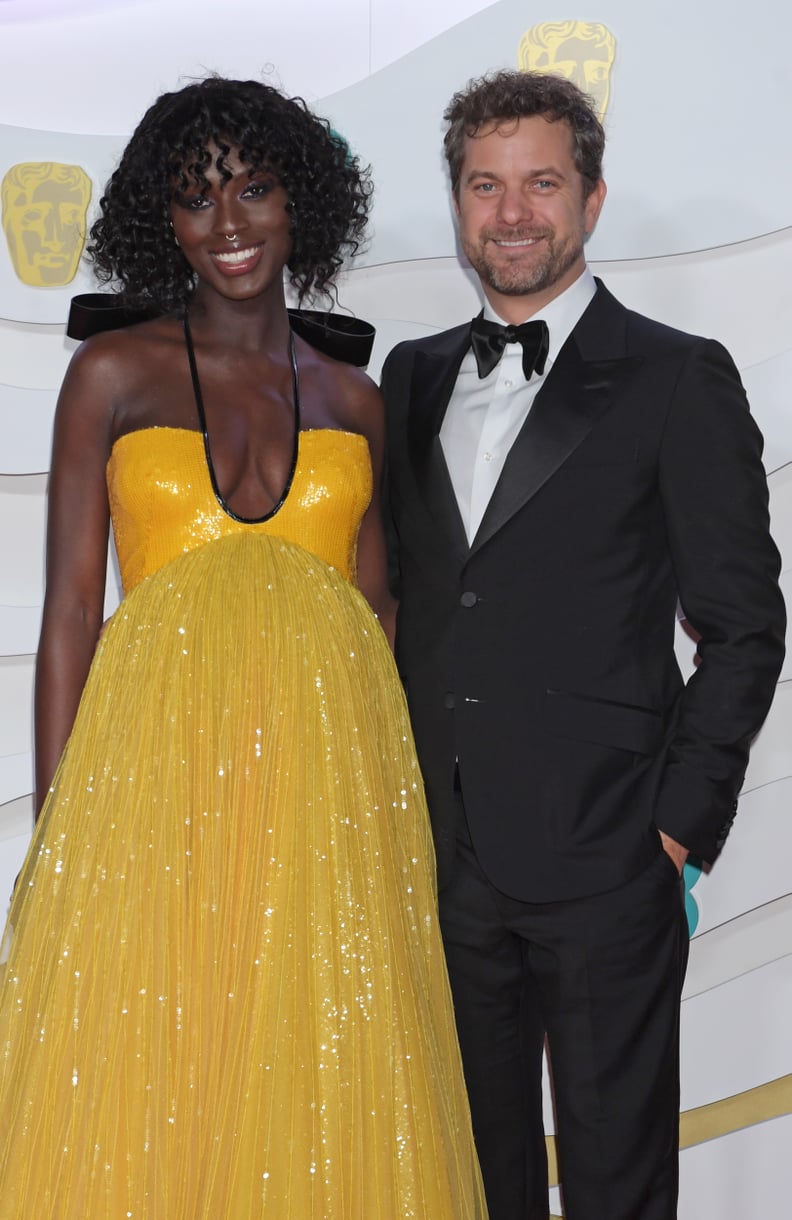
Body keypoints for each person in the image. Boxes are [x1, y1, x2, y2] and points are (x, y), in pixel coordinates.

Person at [0, 77, 487, 1218]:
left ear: (298, 204)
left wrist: (391, 818)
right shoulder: (110, 376)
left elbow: (378, 619)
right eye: (195, 198)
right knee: (157, 1071)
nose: (228, 224)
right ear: (158, 223)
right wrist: (56, 816)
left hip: (324, 807)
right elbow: (70, 610)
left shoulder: (359, 401)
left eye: (255, 189)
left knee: (319, 1091)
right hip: (153, 799)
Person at [381, 69, 785, 1220]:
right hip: (446, 870)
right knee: (476, 1185)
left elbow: (747, 623)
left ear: (593, 199)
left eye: (542, 183)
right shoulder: (408, 378)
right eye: (486, 185)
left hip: (609, 866)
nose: (512, 213)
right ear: (458, 202)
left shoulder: (674, 374)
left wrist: (672, 830)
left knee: (616, 1189)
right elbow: (418, 602)